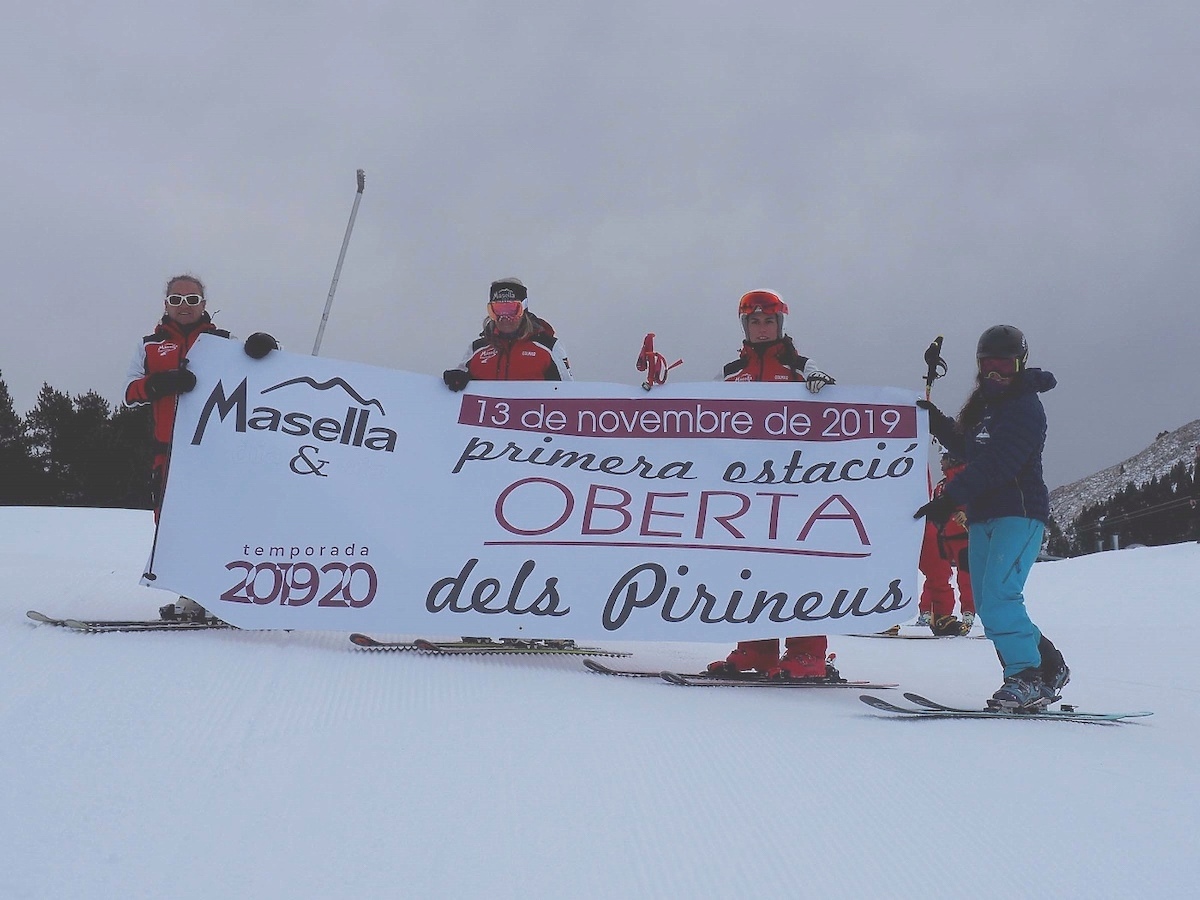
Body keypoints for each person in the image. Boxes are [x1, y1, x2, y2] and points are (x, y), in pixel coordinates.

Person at [914, 325, 1069, 709]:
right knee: (987, 603)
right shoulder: (985, 405)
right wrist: (936, 422)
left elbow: (999, 463)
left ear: (1021, 363)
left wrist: (950, 498)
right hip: (984, 516)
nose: (996, 372)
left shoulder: (1024, 406)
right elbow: (971, 447)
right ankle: (1048, 666)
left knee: (1001, 597)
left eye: (1006, 364)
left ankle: (1027, 675)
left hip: (1019, 513)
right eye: (989, 365)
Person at [124, 274, 278, 620]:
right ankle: (191, 592)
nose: (184, 306)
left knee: (218, 519)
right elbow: (130, 393)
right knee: (172, 523)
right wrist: (159, 384)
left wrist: (266, 348)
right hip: (171, 450)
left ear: (204, 305)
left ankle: (223, 592)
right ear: (166, 304)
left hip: (216, 452)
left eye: (192, 300)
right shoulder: (149, 345)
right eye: (176, 300)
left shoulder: (223, 342)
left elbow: (263, 379)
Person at [707, 289, 839, 681]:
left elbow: (837, 411)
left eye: (768, 321)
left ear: (780, 324)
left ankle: (806, 653)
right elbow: (699, 417)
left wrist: (822, 386)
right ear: (744, 325)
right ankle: (757, 649)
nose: (761, 328)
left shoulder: (801, 366)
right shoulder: (731, 373)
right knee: (749, 567)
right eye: (754, 321)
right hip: (744, 491)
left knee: (799, 566)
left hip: (797, 488)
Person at [442, 277, 573, 390]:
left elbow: (569, 392)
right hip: (488, 417)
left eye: (511, 310)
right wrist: (457, 378)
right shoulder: (477, 348)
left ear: (523, 310)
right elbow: (460, 382)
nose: (504, 318)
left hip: (532, 417)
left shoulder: (548, 347)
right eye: (498, 310)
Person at [916, 449, 976, 636]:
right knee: (937, 574)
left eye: (943, 458)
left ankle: (968, 613)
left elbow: (979, 502)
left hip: (963, 536)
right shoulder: (942, 485)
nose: (940, 463)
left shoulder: (968, 480)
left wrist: (967, 515)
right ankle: (929, 612)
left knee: (965, 576)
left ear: (952, 459)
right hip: (941, 535)